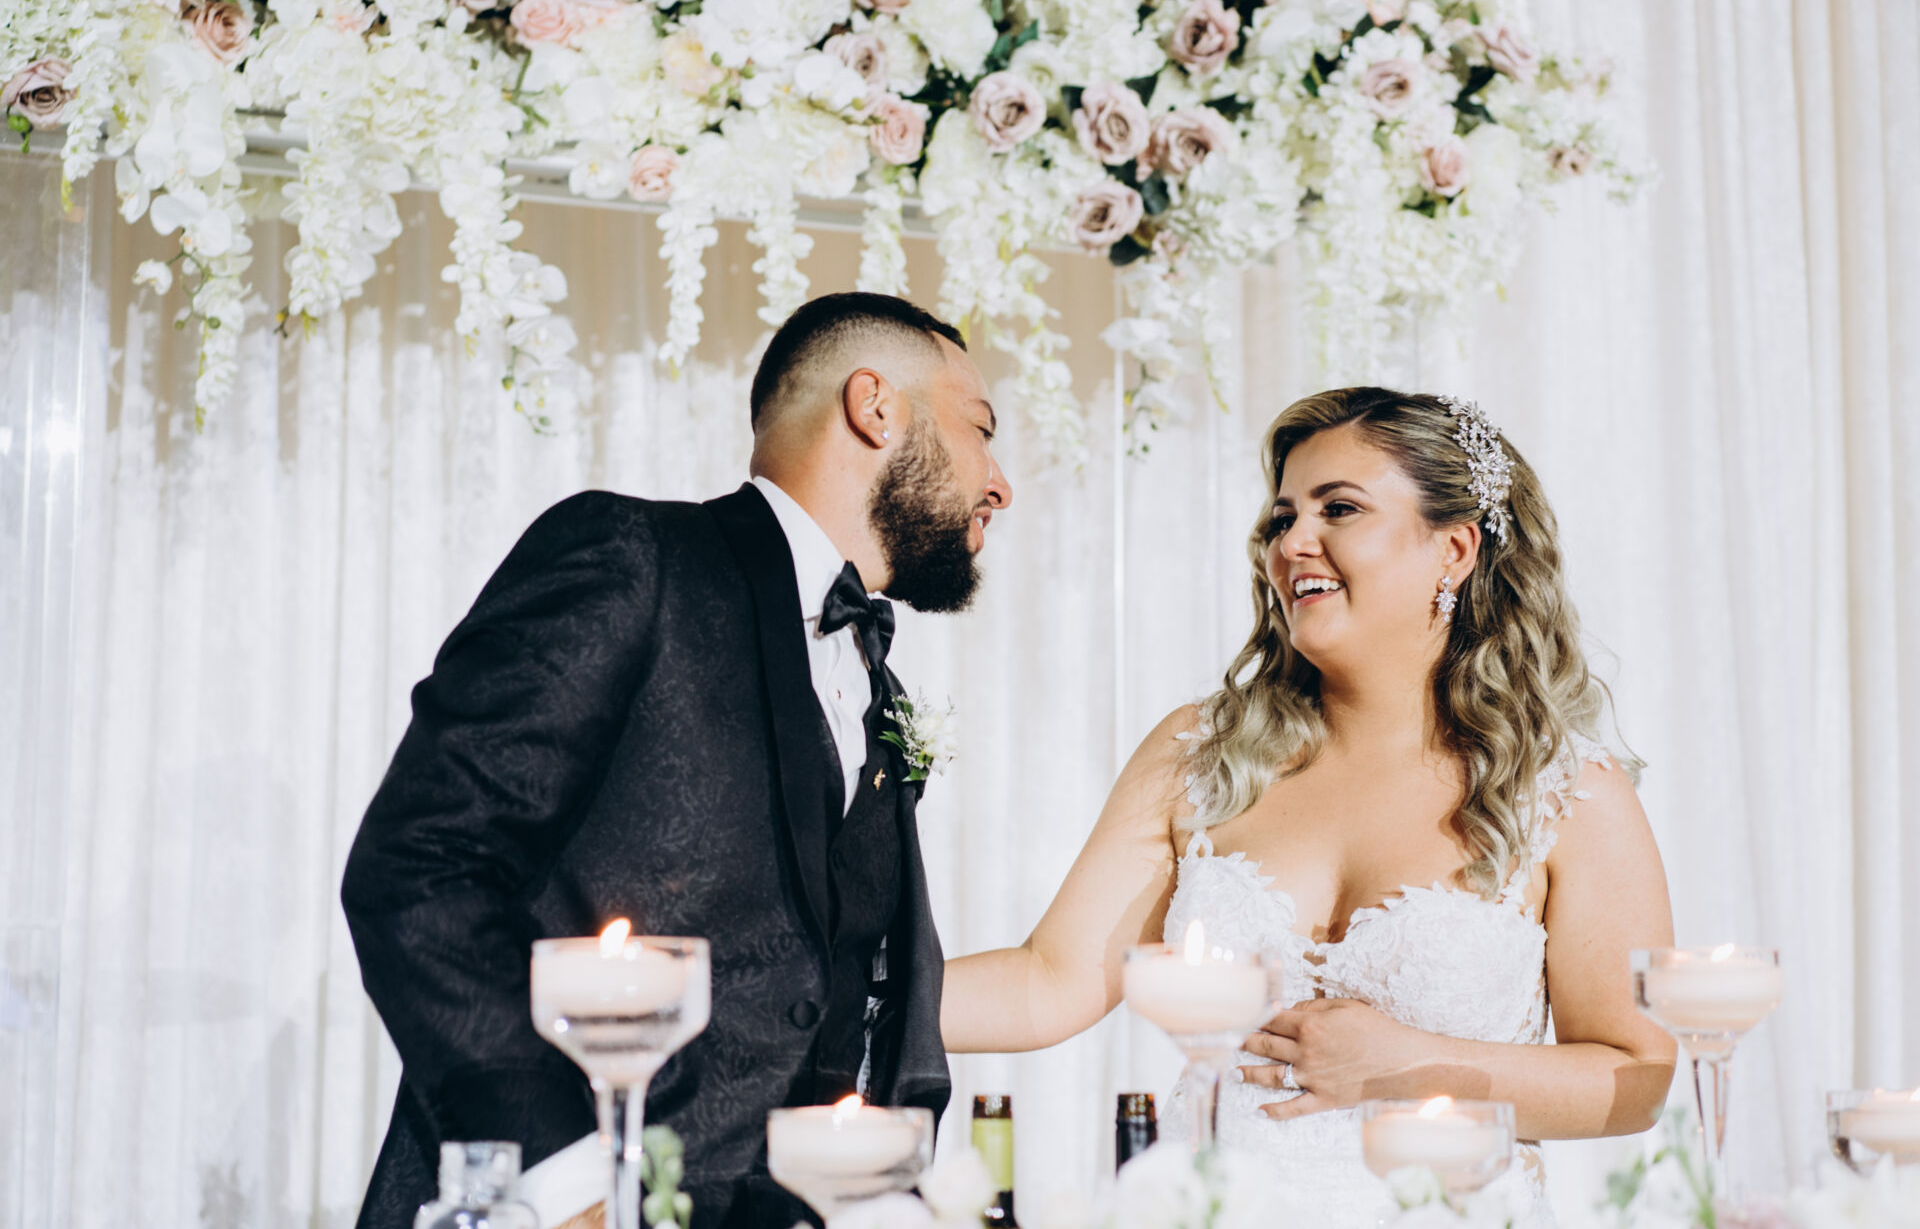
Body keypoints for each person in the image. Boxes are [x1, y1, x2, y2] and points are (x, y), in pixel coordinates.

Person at [342, 292, 1012, 1229]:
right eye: (981, 429)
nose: (999, 484)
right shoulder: (633, 558)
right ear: (875, 407)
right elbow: (419, 865)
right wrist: (571, 1185)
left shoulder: (879, 686)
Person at [941, 387, 1675, 1226]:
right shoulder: (1199, 751)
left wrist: (1408, 1066)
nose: (1291, 543)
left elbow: (1636, 1079)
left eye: (1340, 509)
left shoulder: (1566, 790)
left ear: (1455, 549)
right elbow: (1048, 982)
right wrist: (834, 1001)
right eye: (1283, 517)